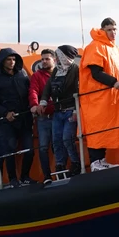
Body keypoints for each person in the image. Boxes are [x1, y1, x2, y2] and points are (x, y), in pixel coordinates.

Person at [79, 18, 119, 171]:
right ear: (102, 30)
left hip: (109, 98)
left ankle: (101, 160)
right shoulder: (95, 46)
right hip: (97, 97)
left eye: (115, 29)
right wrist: (113, 82)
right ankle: (95, 162)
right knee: (98, 128)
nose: (113, 32)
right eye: (109, 29)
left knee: (106, 128)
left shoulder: (113, 48)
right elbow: (95, 73)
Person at [0, 48, 34, 187]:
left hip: (24, 118)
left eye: (14, 59)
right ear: (2, 61)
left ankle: (25, 176)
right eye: (9, 59)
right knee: (9, 151)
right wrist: (4, 113)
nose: (12, 62)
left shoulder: (22, 74)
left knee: (30, 150)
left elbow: (29, 92)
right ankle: (13, 179)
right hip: (6, 122)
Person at [40, 45, 82, 176]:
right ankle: (60, 166)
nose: (57, 58)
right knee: (56, 140)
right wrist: (43, 101)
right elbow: (48, 87)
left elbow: (78, 89)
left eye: (59, 55)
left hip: (70, 110)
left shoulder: (75, 70)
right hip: (57, 111)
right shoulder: (56, 71)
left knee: (67, 138)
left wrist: (76, 110)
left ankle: (76, 163)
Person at [30, 49, 57, 181]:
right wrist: (34, 105)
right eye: (42, 59)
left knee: (60, 145)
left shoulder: (60, 74)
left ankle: (61, 171)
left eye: (47, 59)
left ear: (54, 60)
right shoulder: (37, 76)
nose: (44, 61)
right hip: (44, 117)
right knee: (43, 147)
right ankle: (46, 176)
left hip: (59, 115)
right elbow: (33, 91)